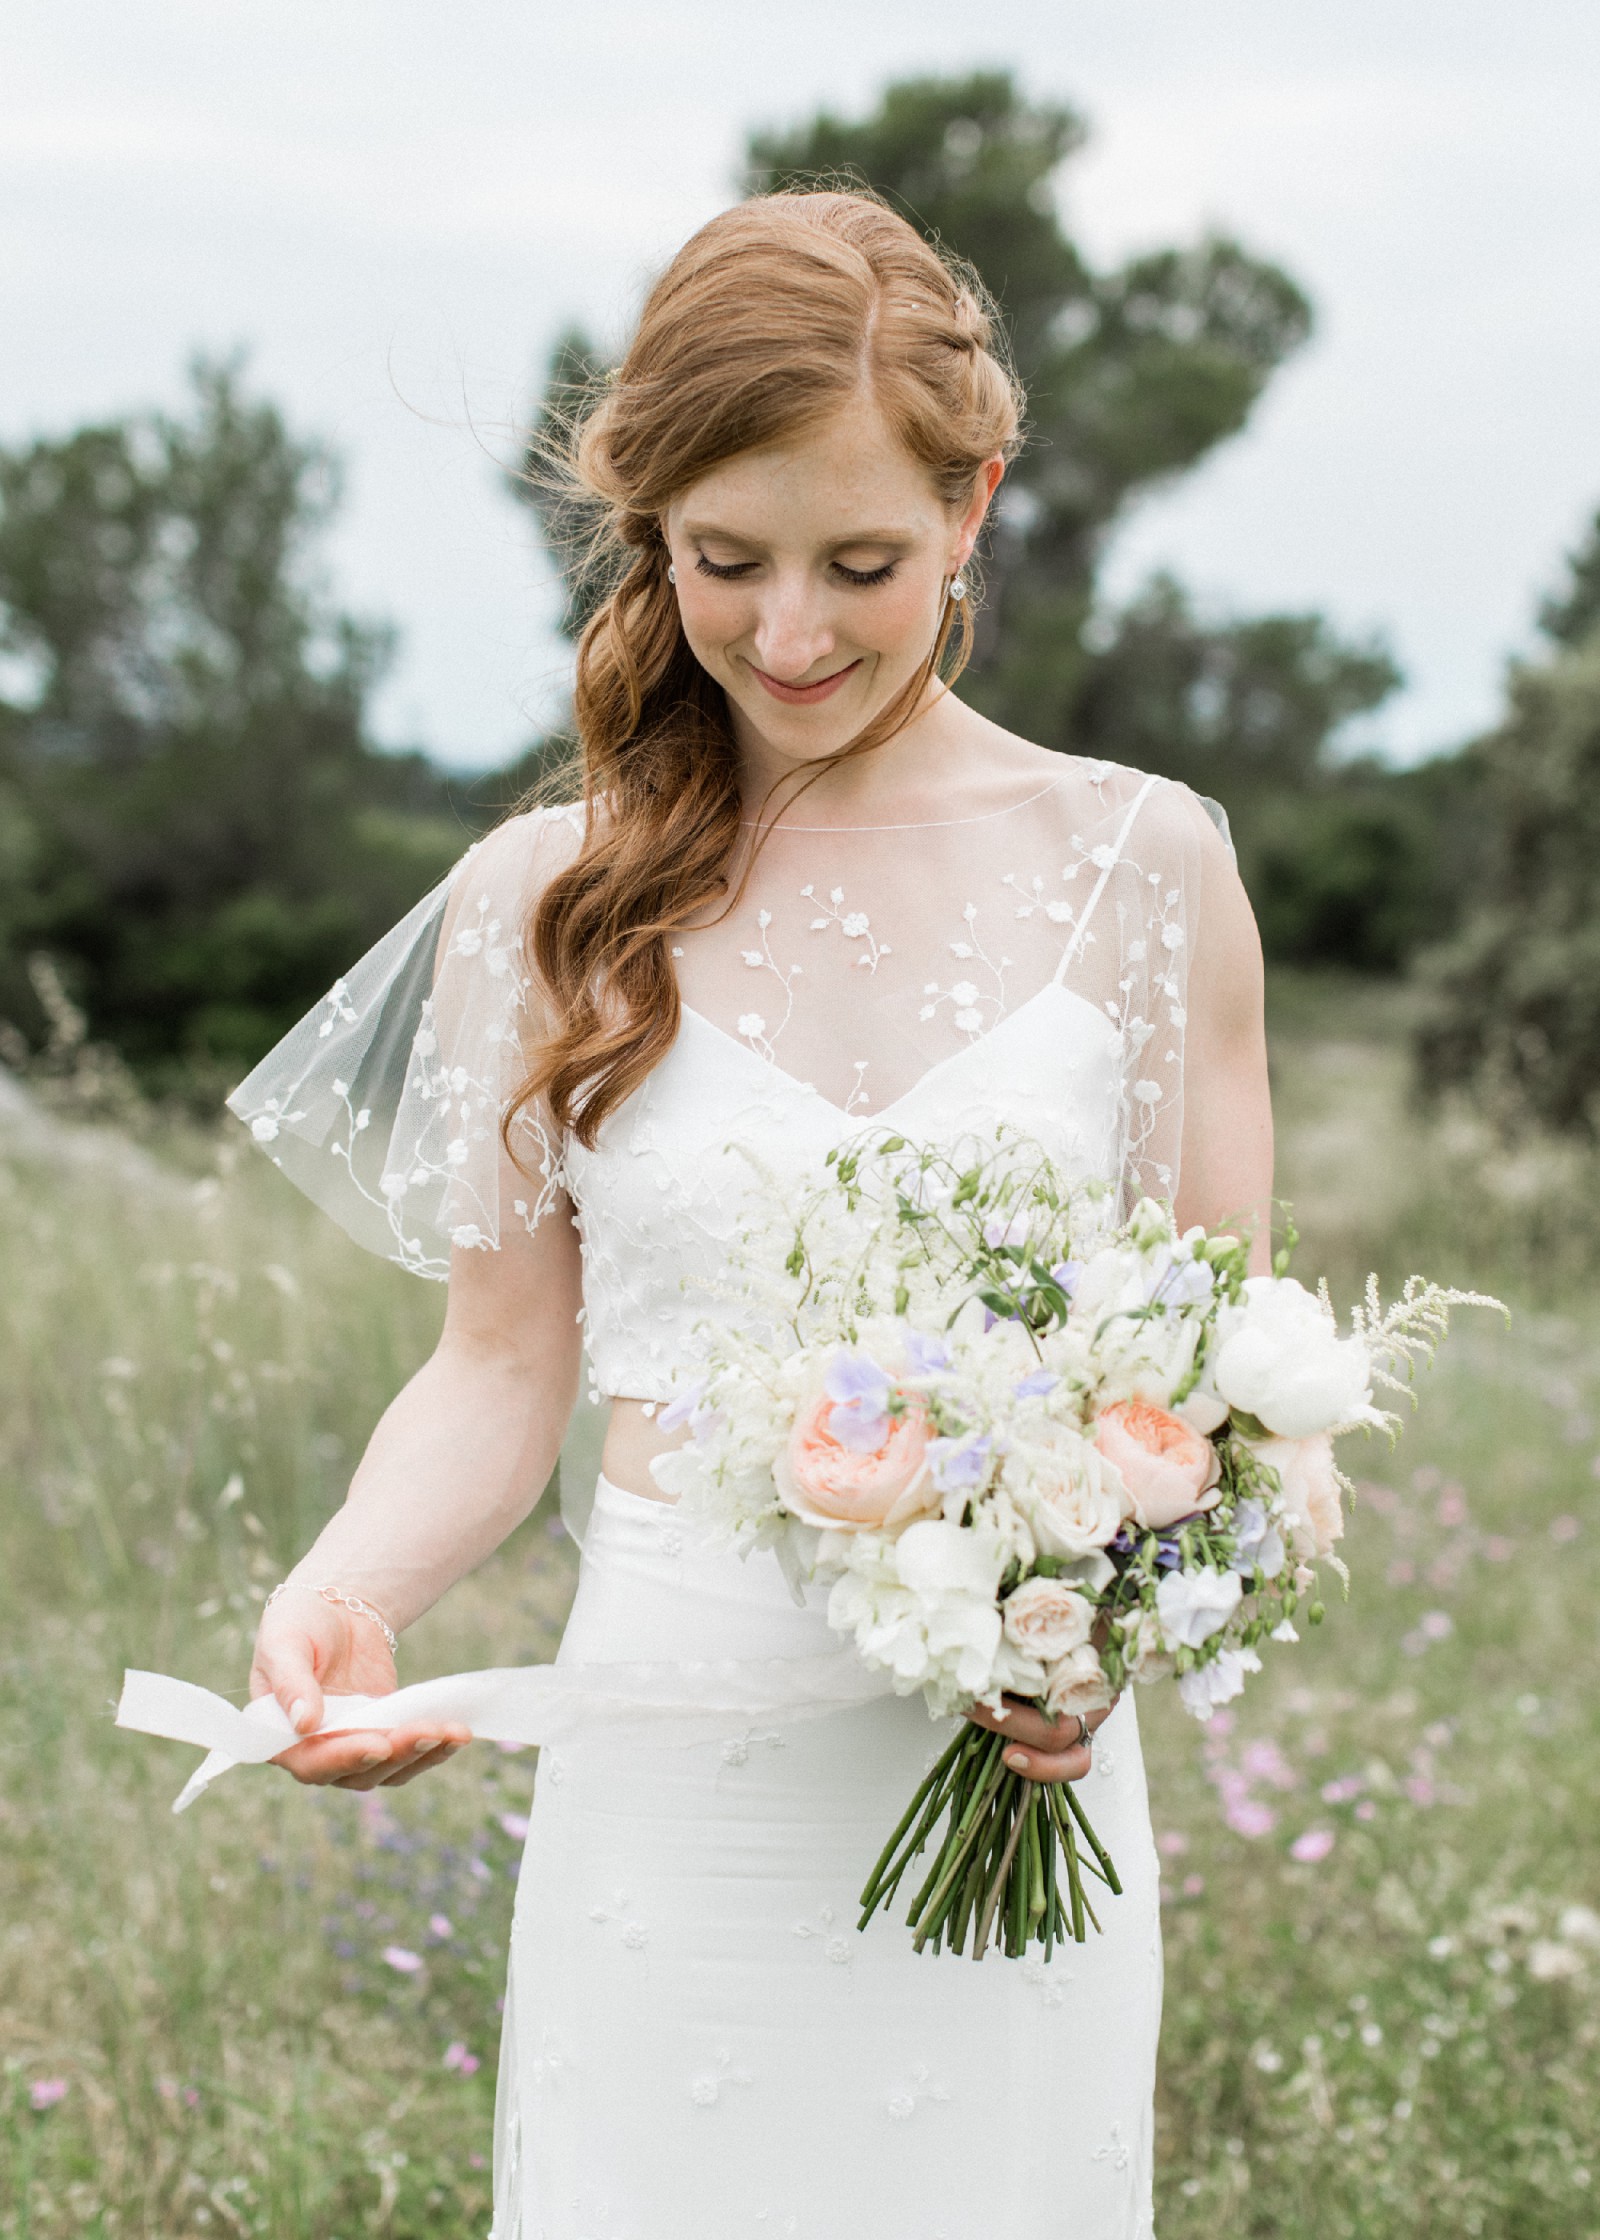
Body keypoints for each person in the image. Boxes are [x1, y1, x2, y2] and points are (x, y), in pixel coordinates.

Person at [239, 189, 1272, 2240]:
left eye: (859, 562)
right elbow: (498, 1362)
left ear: (973, 507)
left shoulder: (1139, 867)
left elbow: (1224, 1398)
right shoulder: (542, 899)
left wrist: (1095, 1644)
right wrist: (352, 1587)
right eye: (724, 562)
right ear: (651, 533)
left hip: (1008, 1769)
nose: (788, 632)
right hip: (671, 1781)